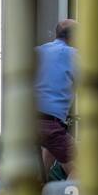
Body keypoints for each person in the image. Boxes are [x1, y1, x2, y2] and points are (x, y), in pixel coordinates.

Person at [34, 19, 78, 178]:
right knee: (80, 167)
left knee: (47, 159)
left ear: (55, 33)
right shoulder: (73, 55)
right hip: (51, 124)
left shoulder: (38, 51)